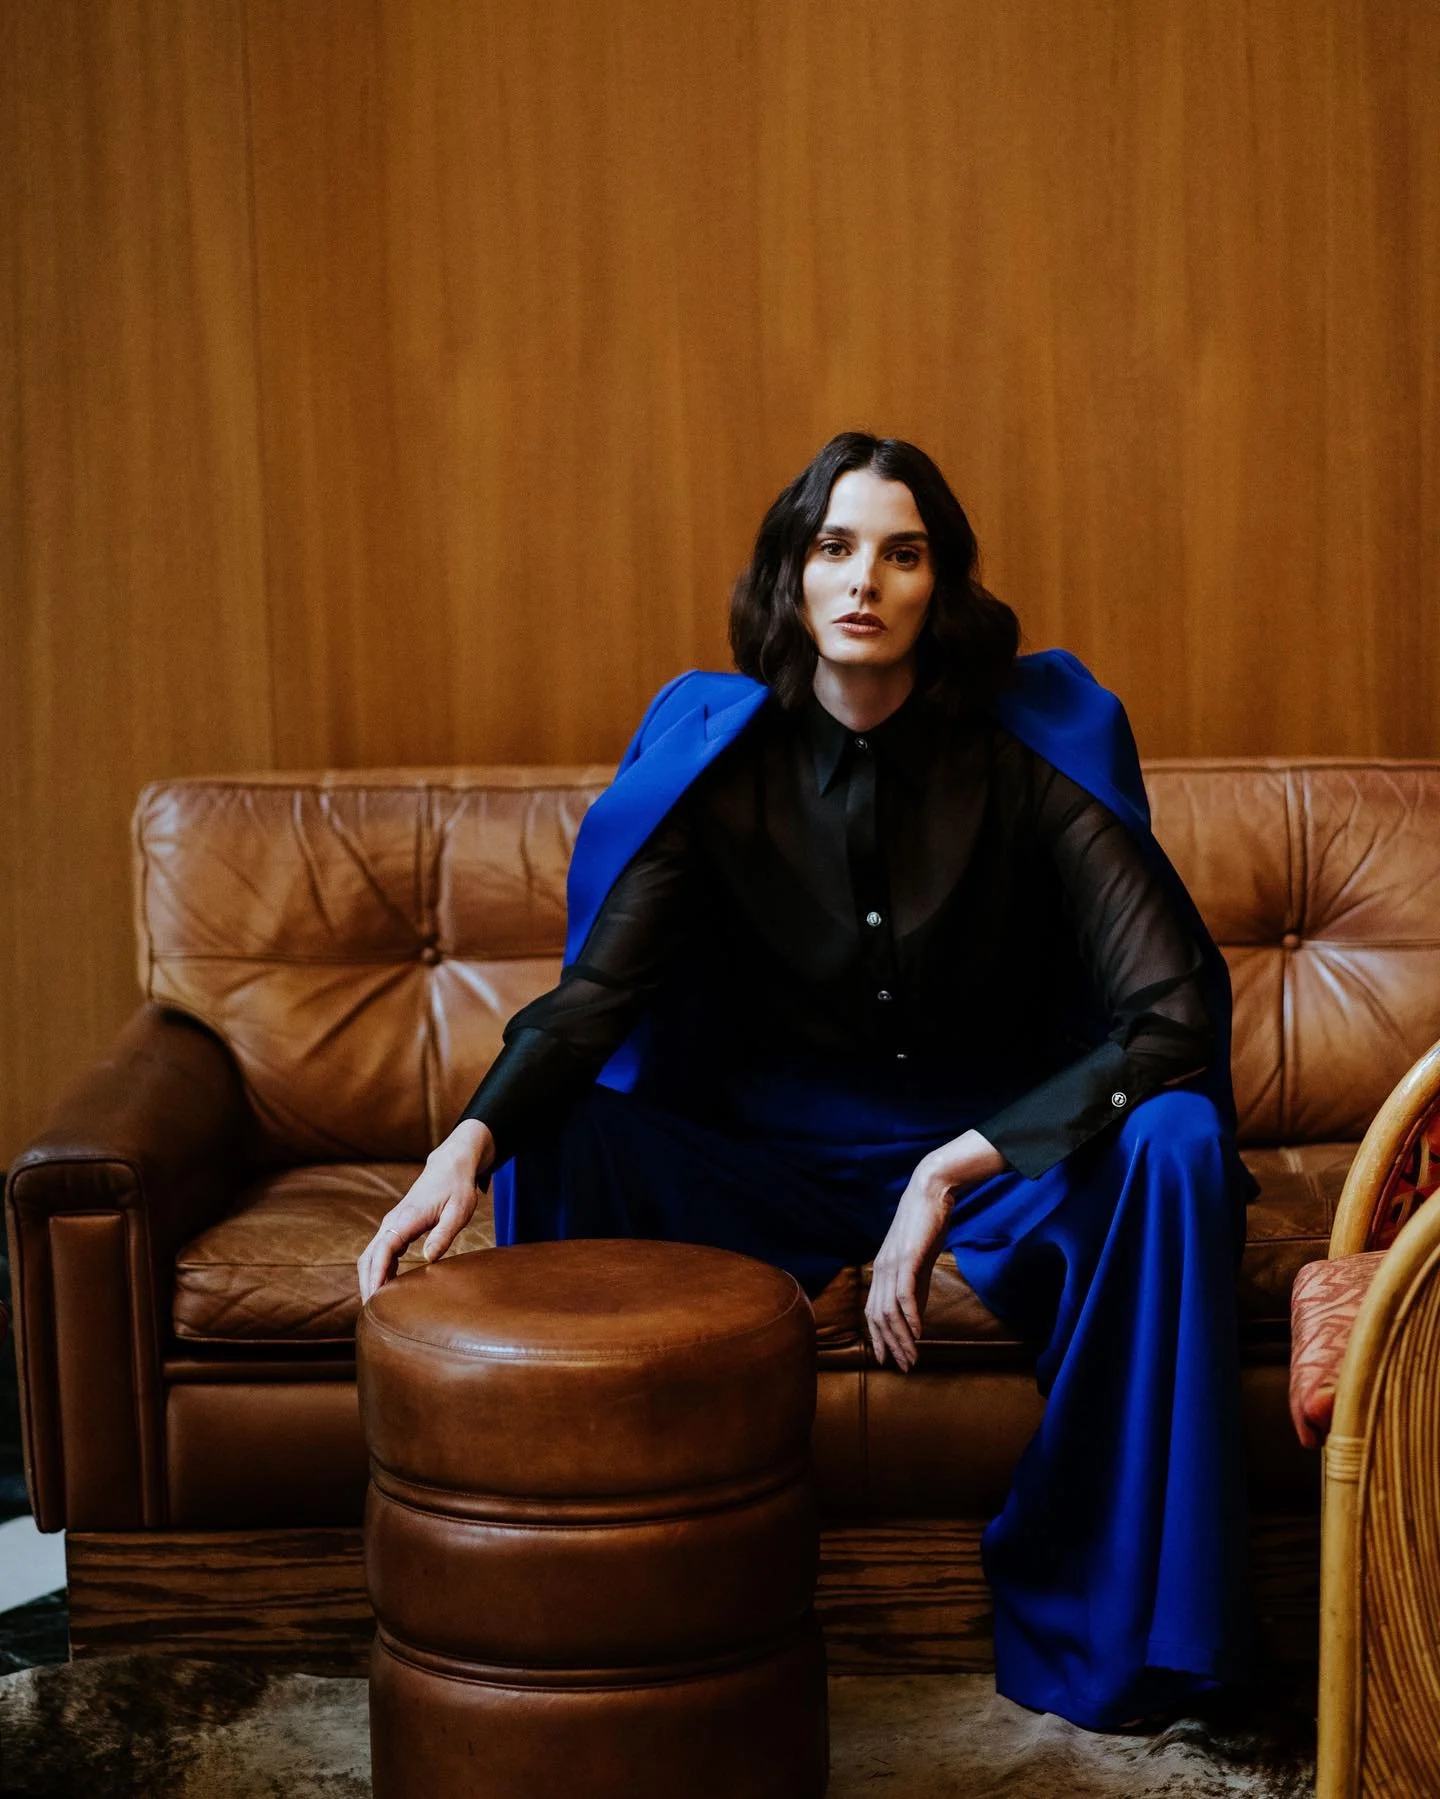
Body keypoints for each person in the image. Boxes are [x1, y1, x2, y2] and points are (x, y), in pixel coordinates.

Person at [357, 432, 1253, 1732]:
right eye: (834, 546)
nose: (865, 579)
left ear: (940, 585)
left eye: (902, 551)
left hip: (992, 1164)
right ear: (790, 573)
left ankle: (1120, 1630)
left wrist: (954, 1165)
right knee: (567, 1127)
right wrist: (465, 1146)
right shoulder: (720, 762)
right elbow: (597, 999)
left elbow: (1176, 1013)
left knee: (1172, 1140)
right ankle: (602, 1612)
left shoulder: (1030, 750)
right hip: (763, 1168)